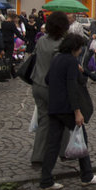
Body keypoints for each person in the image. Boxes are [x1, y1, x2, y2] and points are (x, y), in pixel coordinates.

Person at [39, 33, 96, 190]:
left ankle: (46, 180)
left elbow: (47, 80)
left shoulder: (57, 59)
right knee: (81, 139)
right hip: (67, 109)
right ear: (74, 48)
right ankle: (87, 176)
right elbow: (72, 88)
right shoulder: (71, 62)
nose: (81, 50)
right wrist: (77, 112)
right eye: (80, 47)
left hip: (54, 107)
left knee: (52, 145)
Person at [31, 11, 70, 165]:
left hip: (37, 85)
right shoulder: (61, 45)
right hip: (52, 88)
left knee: (44, 121)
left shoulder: (41, 41)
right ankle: (65, 151)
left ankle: (37, 156)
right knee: (66, 118)